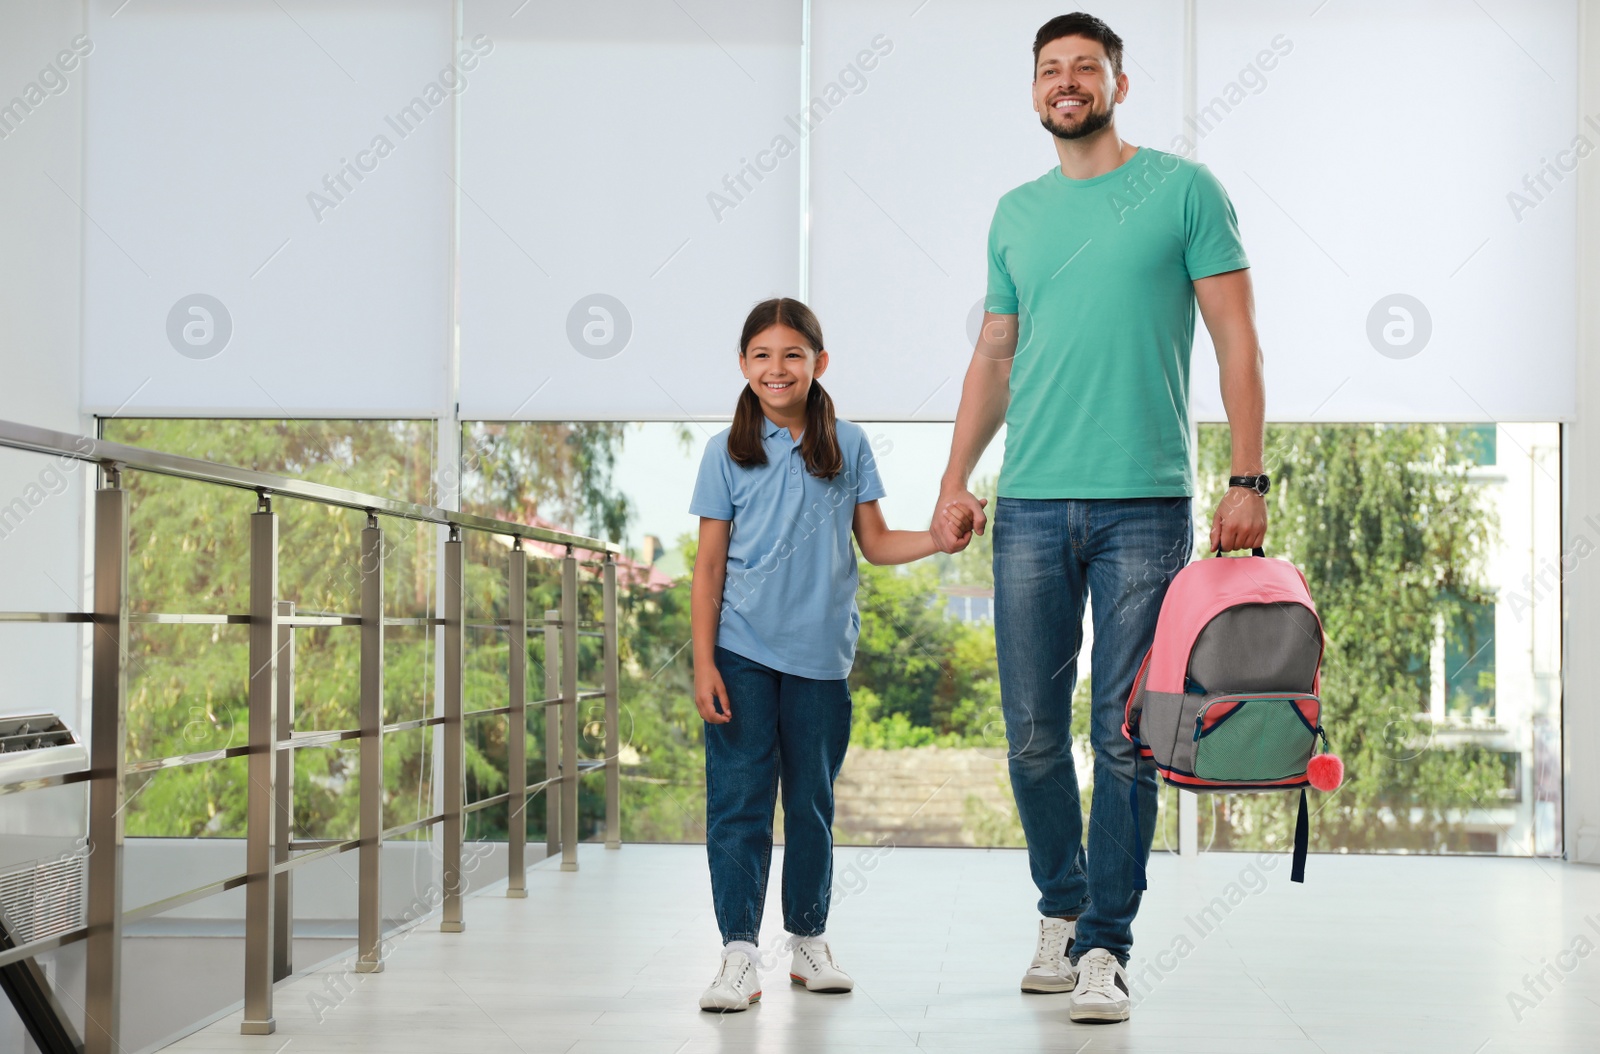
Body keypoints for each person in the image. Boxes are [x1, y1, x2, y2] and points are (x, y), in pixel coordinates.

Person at [929, 12, 1269, 1024]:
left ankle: (1104, 946)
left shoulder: (1182, 192)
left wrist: (1247, 478)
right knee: (1032, 737)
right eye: (1050, 70)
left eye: (1085, 68)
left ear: (1118, 83)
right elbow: (994, 355)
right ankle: (1061, 906)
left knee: (1125, 735)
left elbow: (1238, 341)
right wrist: (956, 476)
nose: (1066, 83)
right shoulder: (1014, 214)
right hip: (1030, 501)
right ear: (1035, 90)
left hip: (1145, 505)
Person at [690, 297, 972, 1012]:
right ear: (743, 365)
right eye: (761, 355)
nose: (776, 369)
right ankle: (738, 954)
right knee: (739, 807)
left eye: (792, 354)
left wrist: (938, 541)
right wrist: (703, 663)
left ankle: (808, 941)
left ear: (819, 362)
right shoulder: (725, 452)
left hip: (820, 660)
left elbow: (874, 545)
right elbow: (709, 569)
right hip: (742, 653)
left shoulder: (847, 444)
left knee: (810, 805)